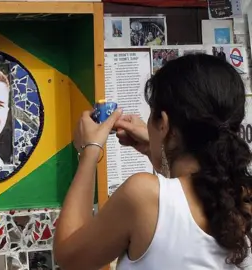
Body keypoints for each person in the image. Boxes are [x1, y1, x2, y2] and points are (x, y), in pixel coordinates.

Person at [54, 54, 252, 270]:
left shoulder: (144, 195)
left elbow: (69, 258)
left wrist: (89, 151)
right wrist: (161, 150)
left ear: (164, 124)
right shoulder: (241, 198)